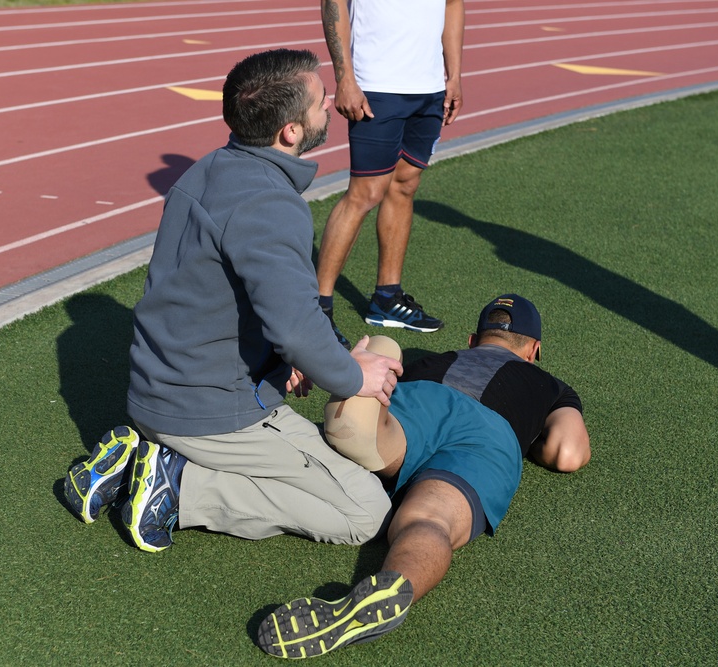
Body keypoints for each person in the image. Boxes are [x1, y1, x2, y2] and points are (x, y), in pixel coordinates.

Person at [63, 49, 404, 552]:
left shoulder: (209, 169)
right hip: (210, 410)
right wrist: (354, 375)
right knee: (364, 510)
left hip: (161, 392)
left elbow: (217, 294)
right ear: (290, 131)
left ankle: (144, 457)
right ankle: (176, 487)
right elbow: (293, 327)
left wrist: (282, 356)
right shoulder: (270, 204)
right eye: (319, 101)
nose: (328, 105)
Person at [255, 294, 591, 659]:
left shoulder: (435, 361)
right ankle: (394, 585)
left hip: (419, 401)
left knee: (376, 410)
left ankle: (360, 424)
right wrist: (530, 433)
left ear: (472, 341)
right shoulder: (547, 383)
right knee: (431, 520)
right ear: (534, 350)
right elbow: (568, 453)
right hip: (489, 434)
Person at [316, 0, 465, 340]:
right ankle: (318, 308)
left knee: (405, 184)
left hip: (429, 88)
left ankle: (386, 298)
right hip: (377, 84)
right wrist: (345, 77)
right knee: (365, 194)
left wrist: (454, 75)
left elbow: (453, 5)